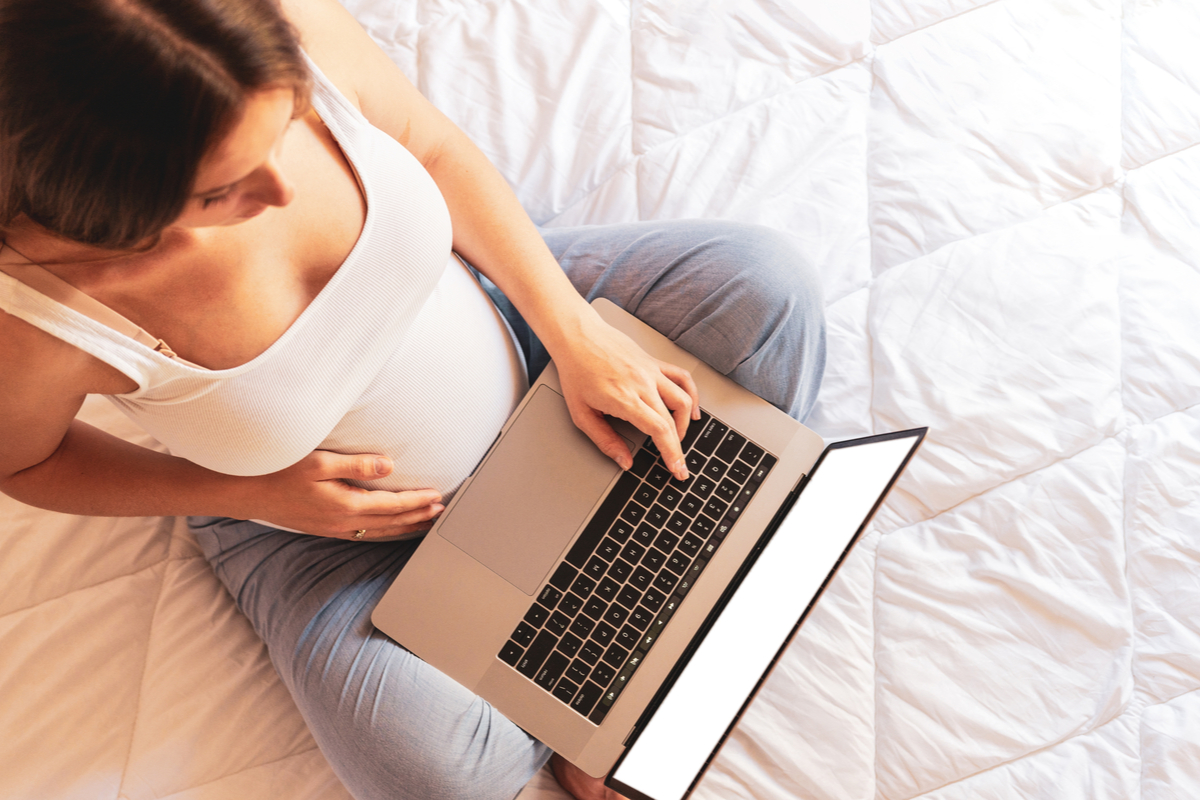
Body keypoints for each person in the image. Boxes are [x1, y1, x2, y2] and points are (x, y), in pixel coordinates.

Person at [0, 0, 825, 798]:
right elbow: (28, 463)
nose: (281, 194)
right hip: (338, 533)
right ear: (112, 207)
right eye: (221, 196)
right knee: (433, 771)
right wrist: (245, 491)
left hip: (515, 338)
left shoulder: (290, 29)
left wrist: (572, 330)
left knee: (765, 284)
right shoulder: (35, 315)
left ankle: (600, 659)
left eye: (286, 129)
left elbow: (426, 146)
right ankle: (629, 633)